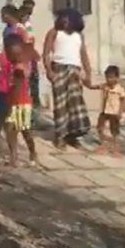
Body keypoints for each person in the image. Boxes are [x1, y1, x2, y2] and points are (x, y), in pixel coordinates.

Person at [42, 9, 92, 150]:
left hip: (75, 71)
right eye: (63, 18)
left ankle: (73, 136)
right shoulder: (54, 32)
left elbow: (83, 54)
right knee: (60, 104)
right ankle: (60, 136)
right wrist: (49, 71)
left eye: (67, 18)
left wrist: (88, 73)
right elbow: (46, 53)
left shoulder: (79, 35)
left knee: (75, 104)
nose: (64, 21)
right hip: (59, 68)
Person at [0, 33, 37, 166]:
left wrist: (11, 106)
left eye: (16, 55)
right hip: (13, 102)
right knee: (10, 130)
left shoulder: (19, 69)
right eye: (11, 55)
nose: (13, 57)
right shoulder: (12, 65)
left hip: (21, 104)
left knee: (25, 131)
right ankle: (13, 156)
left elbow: (17, 88)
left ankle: (32, 152)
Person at [90, 65, 125, 156]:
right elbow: (94, 87)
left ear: (117, 78)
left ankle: (115, 146)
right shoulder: (104, 86)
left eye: (111, 77)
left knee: (114, 130)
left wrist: (120, 112)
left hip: (114, 112)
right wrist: (86, 82)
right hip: (104, 110)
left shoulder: (120, 89)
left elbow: (122, 101)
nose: (108, 80)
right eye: (107, 77)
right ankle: (103, 144)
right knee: (100, 127)